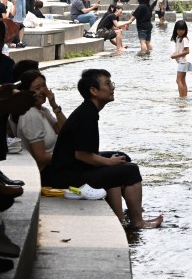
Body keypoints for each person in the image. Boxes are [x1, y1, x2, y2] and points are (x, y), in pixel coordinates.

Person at [45, 69, 163, 228]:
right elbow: (82, 155)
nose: (112, 87)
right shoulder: (87, 115)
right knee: (131, 170)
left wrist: (111, 160)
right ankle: (138, 222)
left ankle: (125, 212)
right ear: (93, 91)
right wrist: (108, 162)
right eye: (107, 84)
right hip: (69, 178)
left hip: (72, 169)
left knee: (122, 157)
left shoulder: (88, 110)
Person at [13, 71, 66, 180]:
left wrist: (54, 105)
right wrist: (70, 159)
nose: (43, 91)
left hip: (57, 164)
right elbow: (41, 157)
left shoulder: (43, 110)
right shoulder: (31, 114)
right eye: (37, 88)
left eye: (44, 86)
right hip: (45, 172)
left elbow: (64, 131)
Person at [170, 20, 192, 98]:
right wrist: (175, 54)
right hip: (182, 62)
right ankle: (184, 97)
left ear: (185, 30)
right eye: (179, 30)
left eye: (182, 30)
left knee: (178, 80)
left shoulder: (184, 39)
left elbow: (187, 51)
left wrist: (176, 55)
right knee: (183, 80)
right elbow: (179, 50)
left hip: (183, 62)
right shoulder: (178, 38)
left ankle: (181, 97)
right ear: (176, 30)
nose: (181, 31)